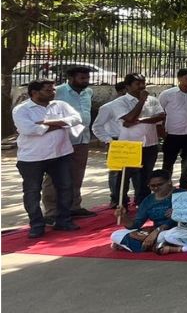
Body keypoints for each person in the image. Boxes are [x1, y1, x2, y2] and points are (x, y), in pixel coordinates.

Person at [14, 80, 84, 238]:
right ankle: (37, 225)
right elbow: (30, 129)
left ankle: (63, 220)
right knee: (32, 192)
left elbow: (76, 119)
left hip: (61, 154)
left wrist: (46, 123)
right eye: (48, 90)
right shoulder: (21, 109)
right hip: (32, 158)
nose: (53, 93)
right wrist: (60, 124)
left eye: (53, 90)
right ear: (34, 92)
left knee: (65, 187)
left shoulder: (60, 105)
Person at [43, 66, 93, 220]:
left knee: (77, 175)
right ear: (70, 78)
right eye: (82, 78)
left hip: (82, 139)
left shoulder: (88, 92)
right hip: (61, 140)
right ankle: (51, 211)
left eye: (87, 78)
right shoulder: (56, 92)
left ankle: (74, 206)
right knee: (53, 177)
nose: (85, 81)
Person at [114, 73, 167, 204]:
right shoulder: (120, 102)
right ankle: (120, 202)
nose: (142, 86)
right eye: (138, 84)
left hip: (150, 143)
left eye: (144, 83)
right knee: (125, 175)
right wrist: (141, 101)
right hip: (129, 144)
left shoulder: (153, 100)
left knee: (146, 175)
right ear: (127, 86)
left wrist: (141, 120)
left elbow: (161, 116)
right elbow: (129, 118)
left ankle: (142, 201)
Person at [159, 68, 187, 191]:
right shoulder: (167, 94)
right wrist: (162, 131)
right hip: (173, 133)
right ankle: (165, 185)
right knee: (169, 161)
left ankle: (185, 184)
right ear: (179, 79)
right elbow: (159, 112)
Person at [111, 170, 176, 252]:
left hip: (178, 230)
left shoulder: (181, 194)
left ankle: (147, 245)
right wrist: (124, 217)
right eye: (152, 186)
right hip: (156, 233)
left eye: (160, 184)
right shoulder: (148, 200)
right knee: (116, 234)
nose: (156, 188)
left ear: (169, 182)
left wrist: (179, 214)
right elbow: (136, 224)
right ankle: (158, 246)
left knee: (170, 235)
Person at [93, 81, 134, 209]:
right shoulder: (108, 107)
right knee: (117, 173)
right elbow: (97, 126)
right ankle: (116, 199)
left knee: (135, 171)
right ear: (123, 90)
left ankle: (135, 197)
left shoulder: (136, 105)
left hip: (134, 141)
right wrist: (109, 140)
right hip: (117, 142)